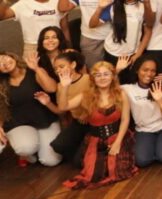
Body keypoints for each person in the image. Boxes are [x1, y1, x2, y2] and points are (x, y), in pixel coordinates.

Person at [59, 61, 137, 190]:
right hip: (95, 140)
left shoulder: (121, 94)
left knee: (117, 172)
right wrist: (65, 86)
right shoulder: (85, 95)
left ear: (112, 76)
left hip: (117, 137)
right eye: (98, 75)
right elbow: (63, 107)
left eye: (106, 74)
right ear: (93, 79)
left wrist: (117, 143)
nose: (102, 78)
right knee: (92, 175)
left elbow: (125, 119)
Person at [0, 52, 61, 167]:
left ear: (12, 56)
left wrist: (36, 68)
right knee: (25, 148)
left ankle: (38, 147)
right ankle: (27, 154)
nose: (4, 63)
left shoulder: (33, 71)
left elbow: (52, 88)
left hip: (44, 119)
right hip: (19, 123)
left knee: (50, 161)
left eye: (5, 58)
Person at [94, 0, 154, 84]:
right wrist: (100, 7)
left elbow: (149, 29)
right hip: (112, 52)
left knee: (129, 84)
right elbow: (92, 24)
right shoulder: (113, 6)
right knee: (111, 83)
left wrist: (138, 54)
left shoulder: (142, 6)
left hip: (132, 54)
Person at [58, 0, 117, 68]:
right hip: (90, 38)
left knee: (113, 72)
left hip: (113, 38)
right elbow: (62, 8)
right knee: (93, 71)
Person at [0, 0, 67, 56]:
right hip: (32, 46)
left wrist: (67, 47)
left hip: (55, 45)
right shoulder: (23, 4)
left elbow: (65, 28)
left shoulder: (59, 2)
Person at [121, 57, 162, 168]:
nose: (149, 74)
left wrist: (160, 100)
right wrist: (117, 70)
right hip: (143, 130)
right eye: (145, 70)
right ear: (137, 70)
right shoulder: (128, 89)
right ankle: (154, 149)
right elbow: (106, 86)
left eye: (153, 71)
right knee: (142, 161)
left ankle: (159, 149)